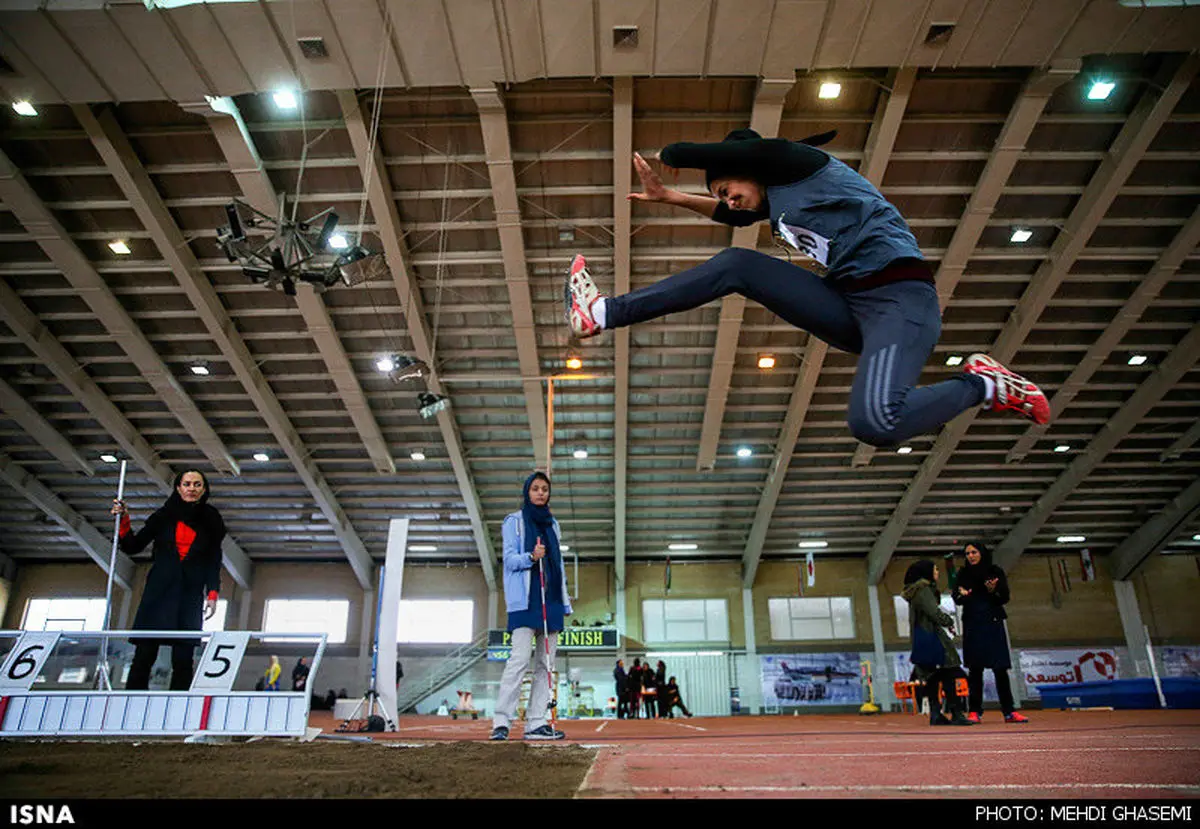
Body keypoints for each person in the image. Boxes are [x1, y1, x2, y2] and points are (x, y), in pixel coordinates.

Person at [564, 133, 1051, 448]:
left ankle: (985, 383)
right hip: (849, 305)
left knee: (875, 422)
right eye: (719, 194)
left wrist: (676, 158)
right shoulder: (776, 204)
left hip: (900, 300)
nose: (727, 198)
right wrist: (673, 198)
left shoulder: (801, 165)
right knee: (738, 265)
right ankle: (603, 312)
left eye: (728, 185)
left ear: (750, 168)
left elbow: (746, 158)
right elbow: (735, 215)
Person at [111, 469, 224, 691]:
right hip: (159, 591)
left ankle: (179, 708)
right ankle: (131, 702)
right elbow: (134, 546)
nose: (192, 488)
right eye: (187, 483)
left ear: (204, 489)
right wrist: (123, 520)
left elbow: (214, 560)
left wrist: (212, 594)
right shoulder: (162, 516)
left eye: (197, 484)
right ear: (178, 487)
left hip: (190, 592)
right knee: (144, 654)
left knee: (183, 659)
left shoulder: (212, 519)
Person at [490, 472, 572, 741]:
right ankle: (502, 721)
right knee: (519, 660)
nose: (540, 493)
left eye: (545, 489)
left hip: (552, 601)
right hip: (525, 602)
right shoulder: (513, 522)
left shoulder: (554, 524)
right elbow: (509, 560)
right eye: (535, 488)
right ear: (527, 492)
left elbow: (558, 565)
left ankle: (537, 722)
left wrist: (565, 601)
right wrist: (530, 556)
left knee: (546, 665)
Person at [954, 541, 1029, 723]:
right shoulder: (962, 574)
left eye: (974, 552)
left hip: (993, 622)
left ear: (982, 553)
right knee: (975, 669)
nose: (970, 556)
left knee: (1000, 668)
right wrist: (962, 595)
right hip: (973, 623)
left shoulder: (995, 572)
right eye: (968, 553)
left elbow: (1004, 597)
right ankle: (974, 711)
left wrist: (993, 590)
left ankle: (1009, 711)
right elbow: (957, 598)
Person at [901, 559, 974, 726]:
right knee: (949, 671)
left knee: (933, 675)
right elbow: (933, 611)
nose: (937, 573)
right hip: (932, 635)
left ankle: (936, 713)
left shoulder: (915, 592)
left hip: (922, 636)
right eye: (934, 570)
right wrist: (948, 621)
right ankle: (956, 713)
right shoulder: (923, 589)